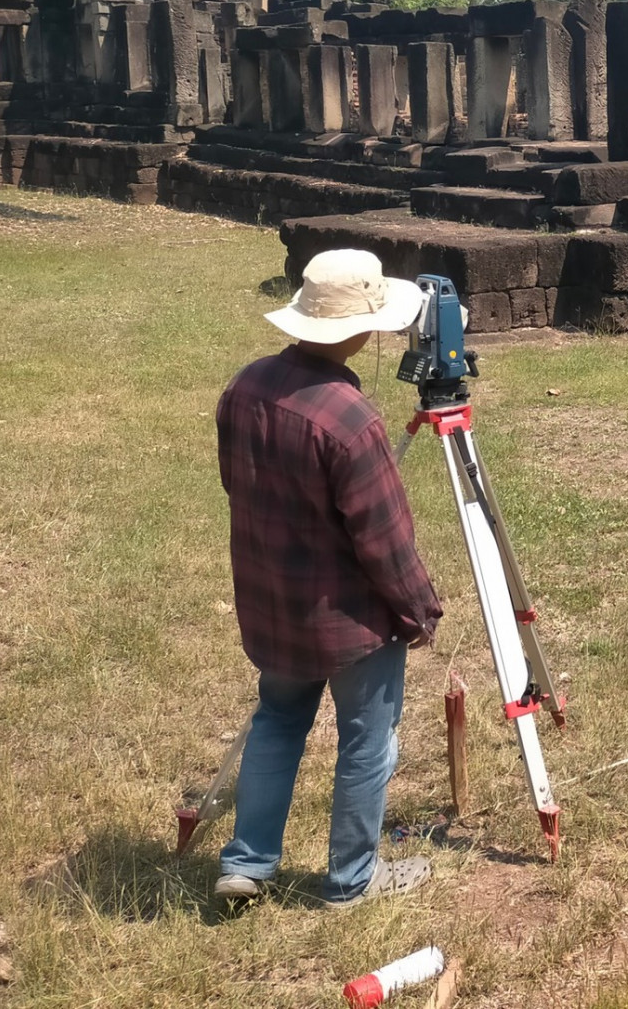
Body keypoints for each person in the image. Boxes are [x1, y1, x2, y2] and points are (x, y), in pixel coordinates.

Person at [212, 249, 443, 908]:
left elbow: (235, 484)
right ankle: (351, 879)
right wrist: (420, 610)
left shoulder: (244, 386)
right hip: (349, 624)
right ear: (363, 329)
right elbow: (386, 540)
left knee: (277, 721)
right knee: (367, 741)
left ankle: (246, 862)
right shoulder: (351, 420)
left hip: (271, 603)